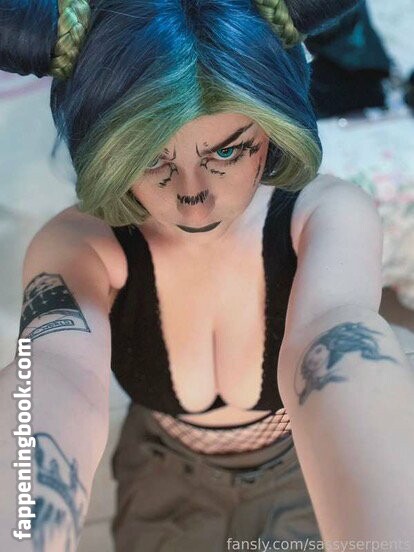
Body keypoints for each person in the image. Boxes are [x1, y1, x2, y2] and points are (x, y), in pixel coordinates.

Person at [1, 1, 413, 551]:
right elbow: (52, 374)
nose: (193, 196)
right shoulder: (82, 246)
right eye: (152, 159)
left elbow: (340, 338)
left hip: (302, 473)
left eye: (226, 150)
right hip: (163, 477)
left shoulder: (326, 216)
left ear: (272, 126)